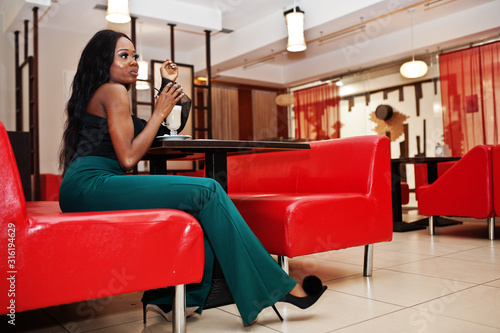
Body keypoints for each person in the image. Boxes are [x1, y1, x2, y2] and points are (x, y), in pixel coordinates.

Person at [58, 29, 326, 327]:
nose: (133, 62)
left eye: (135, 56)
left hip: (85, 185)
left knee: (198, 206)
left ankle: (171, 299)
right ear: (102, 62)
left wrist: (166, 87)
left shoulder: (108, 94)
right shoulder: (113, 91)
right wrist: (159, 111)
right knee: (208, 190)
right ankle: (280, 286)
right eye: (124, 56)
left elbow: (161, 132)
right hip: (91, 185)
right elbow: (129, 158)